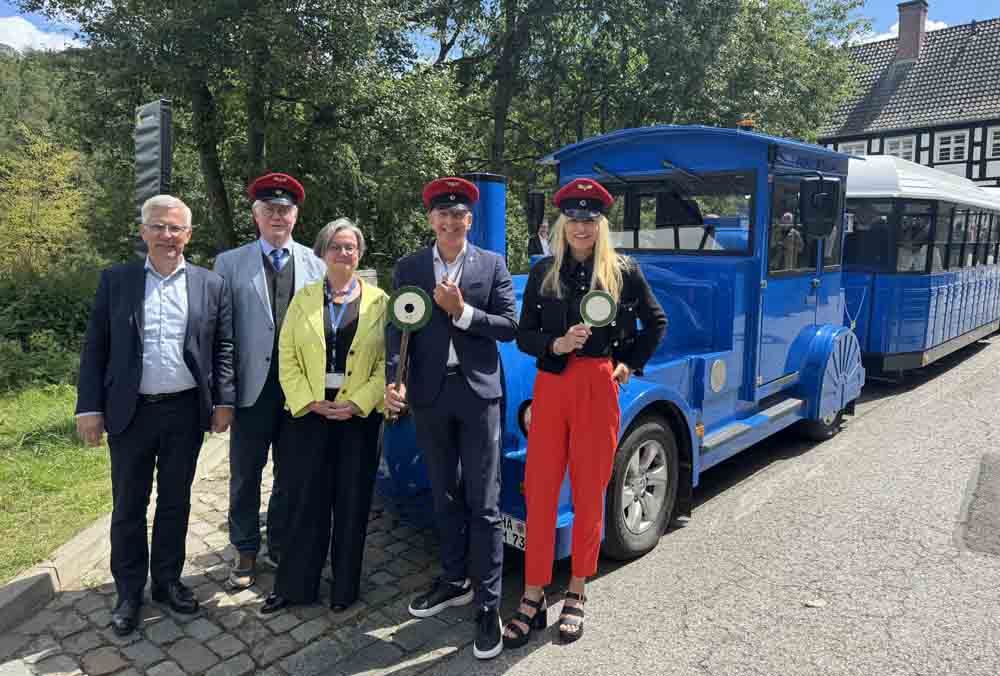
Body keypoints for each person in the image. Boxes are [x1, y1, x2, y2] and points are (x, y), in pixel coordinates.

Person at [504, 178, 666, 646]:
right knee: (539, 489)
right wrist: (555, 343)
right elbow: (524, 334)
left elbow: (656, 322)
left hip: (597, 386)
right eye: (573, 219)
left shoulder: (622, 270)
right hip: (551, 385)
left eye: (589, 219)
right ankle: (533, 592)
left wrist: (627, 363)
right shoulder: (544, 273)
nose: (580, 227)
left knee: (591, 488)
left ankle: (576, 589)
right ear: (563, 224)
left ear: (600, 224)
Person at [75, 195, 236, 636]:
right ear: (144, 231)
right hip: (131, 413)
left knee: (175, 501)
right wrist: (89, 407)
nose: (168, 236)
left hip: (185, 411)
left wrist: (225, 400)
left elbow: (223, 346)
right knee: (129, 504)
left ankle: (167, 581)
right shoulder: (117, 280)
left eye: (176, 228)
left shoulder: (210, 284)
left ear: (188, 234)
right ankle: (128, 591)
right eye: (159, 227)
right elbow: (96, 348)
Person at [384, 176, 517, 660]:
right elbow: (398, 327)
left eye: (458, 214)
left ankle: (487, 605)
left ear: (469, 220)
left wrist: (463, 313)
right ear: (431, 220)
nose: (450, 221)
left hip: (479, 394)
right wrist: (393, 378)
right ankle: (454, 578)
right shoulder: (411, 266)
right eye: (441, 213)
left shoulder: (491, 265)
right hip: (430, 395)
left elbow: (509, 326)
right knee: (443, 493)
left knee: (483, 503)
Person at [257, 219, 387, 615]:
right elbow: (287, 357)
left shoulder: (380, 301)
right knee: (304, 502)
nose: (343, 253)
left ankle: (344, 587)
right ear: (322, 252)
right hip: (308, 417)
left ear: (359, 253)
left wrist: (358, 402)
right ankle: (295, 586)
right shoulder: (303, 299)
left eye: (350, 247)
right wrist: (309, 401)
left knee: (351, 502)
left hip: (357, 420)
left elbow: (388, 363)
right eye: (336, 246)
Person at [213, 172, 326, 589]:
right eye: (270, 209)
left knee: (291, 472)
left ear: (296, 216)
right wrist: (221, 393)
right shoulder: (229, 263)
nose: (278, 216)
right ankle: (244, 549)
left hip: (300, 390)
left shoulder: (316, 264)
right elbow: (220, 334)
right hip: (251, 389)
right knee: (246, 473)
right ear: (255, 214)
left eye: (285, 209)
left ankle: (280, 542)